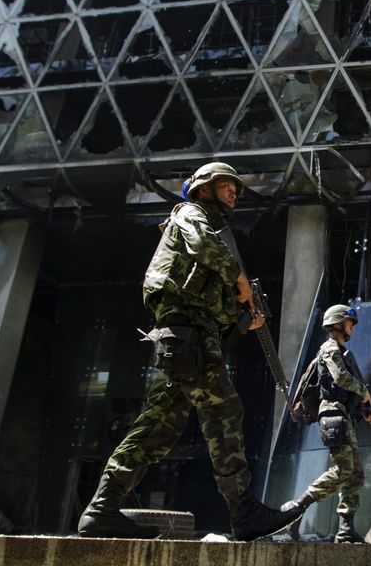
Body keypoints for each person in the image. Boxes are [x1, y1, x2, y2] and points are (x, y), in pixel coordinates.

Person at [77, 162, 299, 540]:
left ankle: (102, 509)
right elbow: (203, 248)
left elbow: (218, 312)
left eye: (235, 188)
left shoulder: (211, 233)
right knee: (223, 409)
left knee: (158, 427)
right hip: (187, 336)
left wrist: (247, 319)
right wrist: (240, 279)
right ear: (203, 189)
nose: (233, 192)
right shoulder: (191, 215)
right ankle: (243, 511)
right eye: (227, 185)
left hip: (189, 338)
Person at [282, 305, 371, 543]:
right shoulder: (329, 348)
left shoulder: (339, 350)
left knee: (355, 475)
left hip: (343, 414)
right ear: (337, 324)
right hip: (333, 415)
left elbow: (341, 389)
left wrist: (363, 410)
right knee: (344, 470)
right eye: (349, 323)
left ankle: (345, 531)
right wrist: (364, 392)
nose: (352, 328)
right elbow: (341, 378)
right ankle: (295, 509)